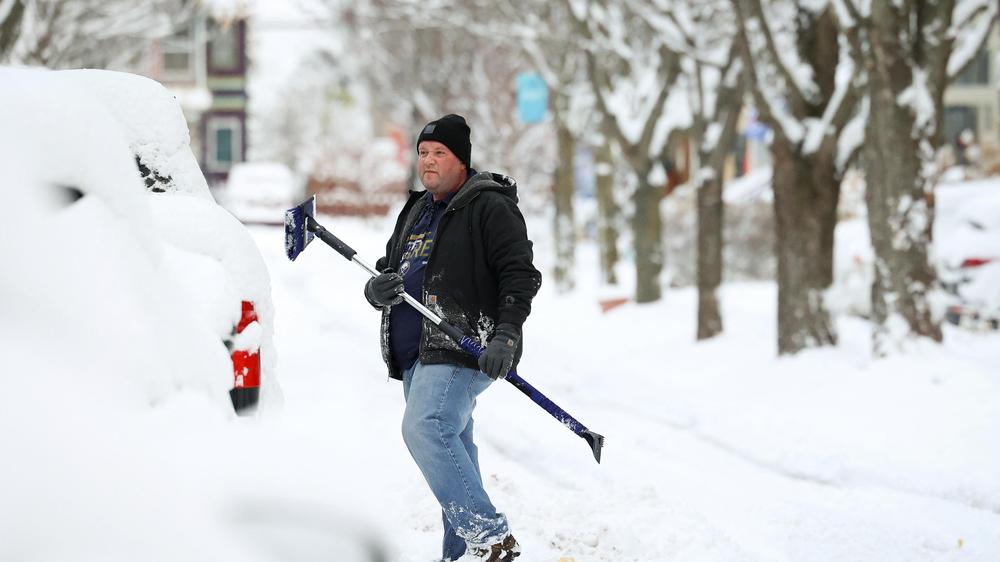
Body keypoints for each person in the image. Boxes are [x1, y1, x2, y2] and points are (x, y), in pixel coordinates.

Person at [364, 114, 541, 562]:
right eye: (423, 153)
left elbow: (520, 274)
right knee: (453, 443)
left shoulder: (489, 206)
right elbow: (391, 268)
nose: (428, 161)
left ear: (460, 159)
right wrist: (376, 289)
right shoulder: (417, 209)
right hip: (414, 352)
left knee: (426, 428)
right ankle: (459, 553)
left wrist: (506, 334)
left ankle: (490, 537)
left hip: (463, 343)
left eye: (439, 152)